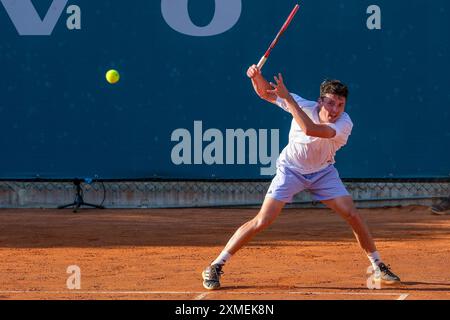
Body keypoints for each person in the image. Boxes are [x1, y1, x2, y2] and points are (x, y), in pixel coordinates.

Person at [201, 65, 401, 290]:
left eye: (340, 104)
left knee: (352, 214)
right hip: (290, 171)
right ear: (319, 101)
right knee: (262, 220)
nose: (335, 109)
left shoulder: (344, 124)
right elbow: (265, 93)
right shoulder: (304, 105)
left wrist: (289, 100)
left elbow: (310, 130)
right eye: (330, 102)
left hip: (323, 173)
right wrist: (256, 77)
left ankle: (377, 265)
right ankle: (216, 265)